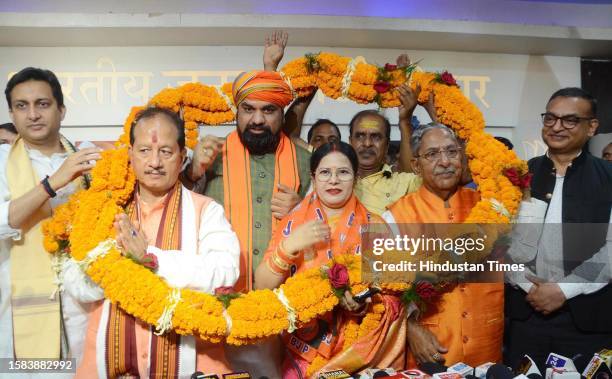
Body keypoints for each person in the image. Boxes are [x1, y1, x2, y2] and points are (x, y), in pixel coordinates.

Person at [75, 107, 240, 378]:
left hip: (192, 362)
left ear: (182, 157)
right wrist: (111, 269)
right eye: (144, 151)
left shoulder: (206, 210)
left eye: (165, 151)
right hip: (104, 363)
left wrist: (150, 258)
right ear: (130, 155)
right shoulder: (102, 210)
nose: (154, 162)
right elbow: (74, 283)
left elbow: (224, 272)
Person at [186, 69, 311, 377]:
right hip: (219, 309)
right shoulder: (212, 153)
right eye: (248, 109)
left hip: (287, 310)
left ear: (282, 114)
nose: (257, 120)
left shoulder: (305, 160)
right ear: (237, 111)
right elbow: (174, 216)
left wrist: (300, 211)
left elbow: (328, 226)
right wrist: (191, 173)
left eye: (268, 110)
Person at [256, 141, 406, 377]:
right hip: (300, 349)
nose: (334, 180)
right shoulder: (293, 223)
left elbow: (394, 297)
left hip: (358, 353)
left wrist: (362, 303)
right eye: (325, 172)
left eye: (343, 172)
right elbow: (262, 285)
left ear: (356, 178)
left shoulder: (375, 225)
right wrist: (290, 246)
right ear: (313, 178)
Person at [504, 88, 611, 372]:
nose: (556, 127)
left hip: (588, 319)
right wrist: (530, 287)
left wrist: (563, 290)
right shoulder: (518, 175)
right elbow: (500, 242)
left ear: (592, 127)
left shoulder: (608, 177)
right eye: (550, 118)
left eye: (569, 120)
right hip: (526, 315)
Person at [0, 67, 102, 365]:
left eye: (42, 104)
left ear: (61, 110)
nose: (32, 114)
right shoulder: (2, 161)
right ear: (12, 113)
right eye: (22, 106)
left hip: (82, 305)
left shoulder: (89, 161)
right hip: (20, 307)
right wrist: (51, 183)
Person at [382, 123, 504, 367]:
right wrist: (411, 329)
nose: (445, 161)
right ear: (416, 165)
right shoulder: (395, 216)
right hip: (432, 347)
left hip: (487, 344)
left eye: (452, 151)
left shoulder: (491, 208)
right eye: (432, 154)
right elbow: (380, 293)